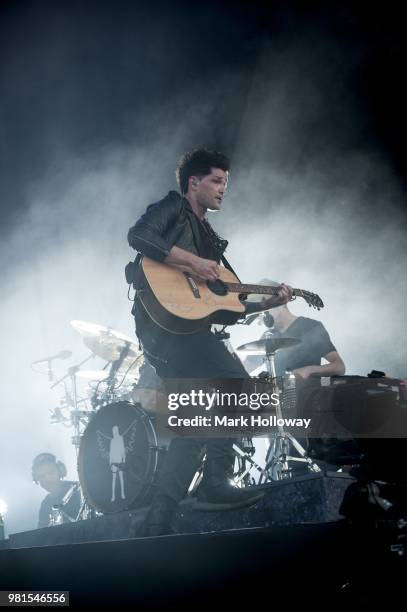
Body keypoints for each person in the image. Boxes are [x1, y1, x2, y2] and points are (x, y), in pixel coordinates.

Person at [127, 148, 293, 535]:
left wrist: (269, 302)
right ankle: (216, 482)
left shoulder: (210, 238)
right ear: (193, 183)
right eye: (217, 181)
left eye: (226, 183)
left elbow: (228, 308)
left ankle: (157, 520)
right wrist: (192, 262)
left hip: (183, 333)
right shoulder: (172, 208)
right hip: (163, 328)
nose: (223, 190)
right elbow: (139, 236)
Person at [243, 279, 345, 379]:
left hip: (308, 393)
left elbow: (339, 366)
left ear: (279, 303)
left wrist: (309, 370)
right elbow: (244, 370)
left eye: (263, 308)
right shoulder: (268, 336)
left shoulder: (311, 327)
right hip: (277, 395)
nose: (259, 316)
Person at [32, 453, 81, 528]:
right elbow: (41, 533)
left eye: (51, 473)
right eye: (41, 476)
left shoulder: (77, 490)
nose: (47, 479)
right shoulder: (45, 504)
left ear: (60, 471)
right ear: (36, 480)